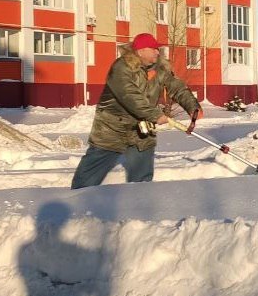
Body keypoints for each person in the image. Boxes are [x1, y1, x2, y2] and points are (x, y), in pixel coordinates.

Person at [71, 33, 201, 188]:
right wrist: (155, 115)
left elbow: (177, 87)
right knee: (90, 174)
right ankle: (76, 201)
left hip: (142, 131)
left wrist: (193, 107)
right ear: (140, 51)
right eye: (153, 49)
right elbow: (129, 95)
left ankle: (139, 207)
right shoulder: (121, 67)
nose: (157, 52)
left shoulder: (160, 69)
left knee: (141, 180)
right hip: (112, 128)